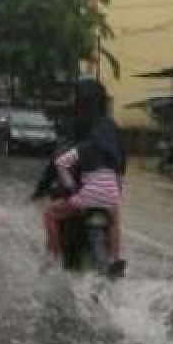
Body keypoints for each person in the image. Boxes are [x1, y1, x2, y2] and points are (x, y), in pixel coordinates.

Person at [42, 80, 127, 274]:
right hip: (109, 191)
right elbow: (121, 166)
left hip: (81, 191)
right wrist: (116, 194)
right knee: (115, 220)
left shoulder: (77, 125)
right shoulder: (112, 128)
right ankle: (116, 259)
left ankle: (54, 259)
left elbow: (59, 161)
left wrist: (64, 188)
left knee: (49, 214)